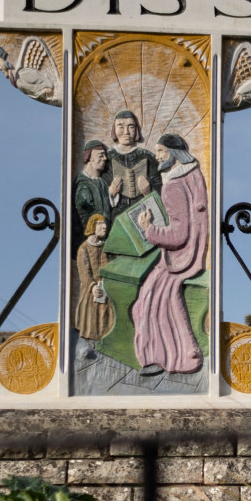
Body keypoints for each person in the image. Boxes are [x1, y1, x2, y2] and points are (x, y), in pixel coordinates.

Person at [128, 132, 209, 374]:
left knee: (148, 299)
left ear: (174, 155)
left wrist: (148, 229)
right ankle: (186, 353)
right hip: (195, 249)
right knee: (152, 297)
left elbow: (177, 235)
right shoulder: (193, 174)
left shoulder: (173, 184)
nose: (157, 156)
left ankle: (166, 358)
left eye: (161, 151)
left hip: (181, 257)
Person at [105, 110, 159, 214]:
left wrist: (148, 192)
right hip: (116, 217)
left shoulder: (148, 157)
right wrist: (111, 192)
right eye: (121, 126)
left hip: (144, 215)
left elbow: (162, 189)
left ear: (137, 130)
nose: (126, 132)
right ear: (114, 129)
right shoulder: (107, 158)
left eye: (131, 126)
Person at [72, 214, 114, 342]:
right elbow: (84, 272)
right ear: (92, 226)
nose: (105, 227)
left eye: (105, 223)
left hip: (106, 288)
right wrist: (93, 286)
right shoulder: (84, 248)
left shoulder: (106, 246)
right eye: (101, 224)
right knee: (91, 317)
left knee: (107, 317)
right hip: (91, 290)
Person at [71, 140, 112, 242]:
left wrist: (112, 194)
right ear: (90, 157)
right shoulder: (82, 184)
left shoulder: (102, 182)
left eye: (105, 155)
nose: (105, 159)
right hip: (90, 238)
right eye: (101, 155)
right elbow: (83, 213)